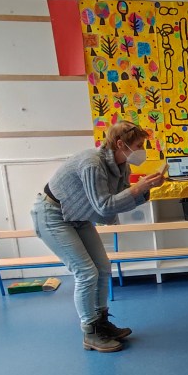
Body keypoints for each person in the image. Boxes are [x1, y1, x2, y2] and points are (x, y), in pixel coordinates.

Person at [32, 120, 164, 352]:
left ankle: (101, 322)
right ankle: (90, 332)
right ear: (120, 144)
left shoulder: (122, 166)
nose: (142, 150)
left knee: (103, 267)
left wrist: (145, 191)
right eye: (138, 145)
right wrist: (138, 189)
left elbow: (118, 202)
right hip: (52, 215)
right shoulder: (92, 163)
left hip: (78, 216)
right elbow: (104, 206)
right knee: (85, 272)